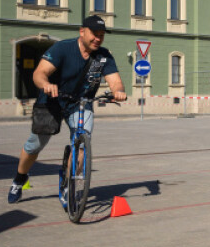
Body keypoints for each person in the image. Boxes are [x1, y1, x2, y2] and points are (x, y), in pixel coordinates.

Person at [8, 15, 127, 205]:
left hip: (81, 103)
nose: (98, 38)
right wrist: (45, 84)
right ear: (82, 32)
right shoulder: (62, 48)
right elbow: (39, 73)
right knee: (34, 145)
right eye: (94, 34)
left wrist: (118, 92)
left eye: (102, 35)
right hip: (52, 100)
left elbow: (115, 82)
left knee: (82, 142)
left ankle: (68, 180)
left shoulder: (104, 56)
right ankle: (19, 178)